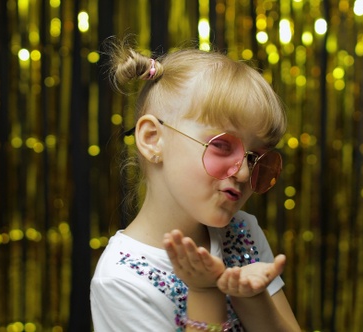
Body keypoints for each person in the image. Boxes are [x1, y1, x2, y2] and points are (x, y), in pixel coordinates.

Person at [90, 36, 301, 332]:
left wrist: (253, 298)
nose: (242, 173)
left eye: (256, 159)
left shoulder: (242, 232)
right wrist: (205, 293)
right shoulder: (121, 279)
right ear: (152, 139)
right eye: (222, 146)